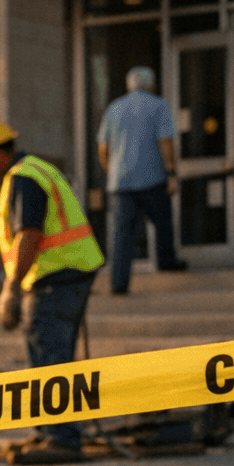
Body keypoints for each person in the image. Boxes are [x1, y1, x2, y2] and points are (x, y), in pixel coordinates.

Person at [0, 115, 105, 466]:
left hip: (57, 275)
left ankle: (62, 439)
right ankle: (48, 432)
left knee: (50, 356)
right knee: (46, 354)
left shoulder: (23, 177)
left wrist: (10, 288)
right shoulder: (34, 170)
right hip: (65, 273)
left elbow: (29, 234)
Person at [95, 65, 188, 295]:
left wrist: (111, 171)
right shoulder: (158, 105)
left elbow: (103, 148)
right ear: (151, 84)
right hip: (152, 178)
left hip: (121, 181)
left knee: (122, 233)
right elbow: (166, 142)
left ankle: (119, 282)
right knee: (162, 222)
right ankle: (167, 262)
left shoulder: (114, 108)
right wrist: (172, 172)